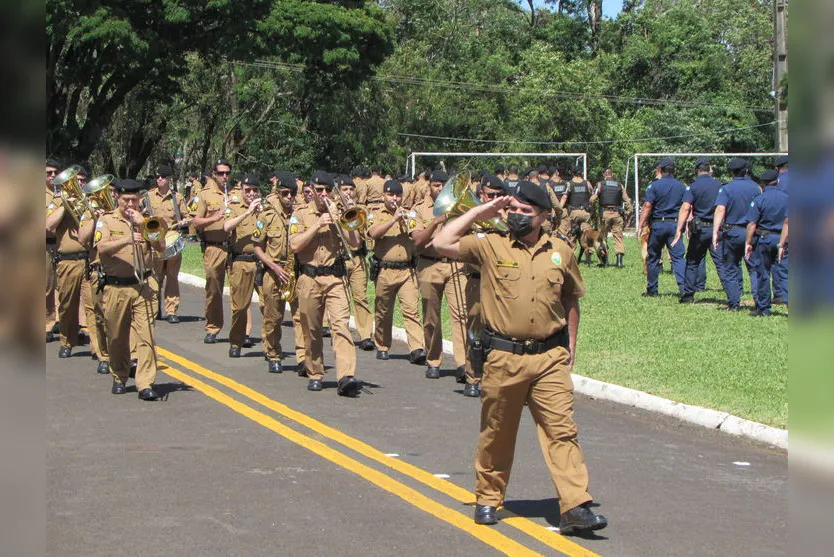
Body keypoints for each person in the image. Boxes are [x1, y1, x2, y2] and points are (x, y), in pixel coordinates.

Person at [432, 180, 607, 534]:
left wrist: (571, 343)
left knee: (562, 430)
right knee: (497, 432)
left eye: (526, 211)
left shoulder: (561, 251)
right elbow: (441, 242)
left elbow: (571, 298)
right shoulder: (491, 244)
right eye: (513, 209)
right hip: (503, 356)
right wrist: (482, 210)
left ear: (543, 216)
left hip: (550, 358)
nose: (517, 215)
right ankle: (488, 498)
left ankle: (575, 505)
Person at [289, 171, 362, 396]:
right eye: (319, 190)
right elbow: (295, 245)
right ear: (312, 190)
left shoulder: (339, 211)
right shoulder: (300, 213)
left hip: (334, 278)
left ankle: (346, 376)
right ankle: (315, 372)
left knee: (340, 326)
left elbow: (355, 243)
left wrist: (343, 220)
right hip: (309, 278)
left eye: (328, 190)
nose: (323, 194)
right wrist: (318, 224)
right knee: (312, 329)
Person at [94, 178, 164, 401]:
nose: (130, 204)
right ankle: (119, 374)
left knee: (146, 336)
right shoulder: (106, 220)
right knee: (116, 336)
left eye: (134, 200)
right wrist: (126, 240)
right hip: (116, 286)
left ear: (140, 199)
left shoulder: (148, 220)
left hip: (143, 285)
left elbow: (161, 247)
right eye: (126, 200)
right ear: (117, 198)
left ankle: (145, 383)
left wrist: (145, 224)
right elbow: (101, 247)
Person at [411, 170, 469, 379]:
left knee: (462, 314)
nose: (441, 188)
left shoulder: (460, 207)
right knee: (431, 316)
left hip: (455, 266)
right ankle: (433, 359)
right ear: (429, 186)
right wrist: (435, 222)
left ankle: (463, 363)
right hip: (429, 265)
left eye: (444, 185)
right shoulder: (418, 210)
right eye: (436, 185)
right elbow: (417, 241)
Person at [366, 179, 427, 364]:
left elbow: (418, 237)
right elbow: (373, 233)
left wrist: (409, 222)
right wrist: (393, 219)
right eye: (391, 195)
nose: (395, 198)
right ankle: (382, 345)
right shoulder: (375, 213)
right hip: (384, 270)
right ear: (383, 195)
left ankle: (417, 348)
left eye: (398, 195)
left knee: (411, 309)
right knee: (383, 311)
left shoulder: (409, 213)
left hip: (407, 270)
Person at [256, 172, 305, 373]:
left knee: (301, 317)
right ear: (278, 193)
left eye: (292, 193)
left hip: (296, 271)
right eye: (285, 193)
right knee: (273, 317)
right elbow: (257, 247)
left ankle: (303, 358)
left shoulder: (300, 214)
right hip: (274, 271)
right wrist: (274, 267)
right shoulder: (266, 214)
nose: (289, 197)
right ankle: (273, 353)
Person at [191, 159, 242, 343]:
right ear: (214, 174)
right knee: (214, 289)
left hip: (235, 248)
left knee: (240, 290)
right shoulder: (204, 195)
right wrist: (215, 217)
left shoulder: (237, 193)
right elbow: (196, 222)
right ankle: (213, 327)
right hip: (214, 247)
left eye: (227, 173)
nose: (224, 176)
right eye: (221, 173)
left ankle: (241, 331)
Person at [45, 166, 93, 358]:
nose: (79, 184)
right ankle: (67, 341)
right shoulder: (58, 200)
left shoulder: (92, 200)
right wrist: (65, 205)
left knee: (93, 306)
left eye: (82, 181)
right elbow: (48, 225)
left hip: (89, 260)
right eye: (76, 180)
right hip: (67, 261)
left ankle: (99, 350)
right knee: (67, 306)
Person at [222, 174, 267, 358]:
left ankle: (270, 347)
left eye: (254, 190)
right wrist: (248, 212)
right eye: (247, 190)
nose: (251, 193)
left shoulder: (265, 208)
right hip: (241, 262)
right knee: (240, 307)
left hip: (263, 262)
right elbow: (226, 227)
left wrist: (262, 212)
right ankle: (236, 341)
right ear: (241, 190)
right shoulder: (234, 207)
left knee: (269, 306)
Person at [712, 158, 762, 311]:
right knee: (754, 269)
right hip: (752, 232)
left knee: (731, 267)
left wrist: (715, 232)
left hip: (732, 232)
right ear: (746, 171)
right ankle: (759, 302)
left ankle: (734, 303)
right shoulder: (756, 188)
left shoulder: (726, 189)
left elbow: (721, 209)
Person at [673, 157, 724, 303]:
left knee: (693, 261)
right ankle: (732, 295)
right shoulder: (719, 186)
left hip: (700, 230)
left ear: (697, 170)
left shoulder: (693, 187)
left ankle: (688, 295)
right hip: (716, 229)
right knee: (721, 262)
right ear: (709, 169)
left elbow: (685, 207)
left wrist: (679, 229)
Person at [336, 175, 375, 351]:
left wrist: (354, 212)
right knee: (341, 300)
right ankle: (341, 333)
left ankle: (366, 335)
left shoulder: (361, 210)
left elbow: (366, 235)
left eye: (351, 189)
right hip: (339, 259)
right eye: (345, 189)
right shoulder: (332, 209)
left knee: (360, 297)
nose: (348, 192)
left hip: (357, 258)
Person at [147, 164, 190, 323]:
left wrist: (184, 221)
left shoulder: (177, 197)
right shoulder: (148, 196)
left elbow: (186, 216)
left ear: (169, 179)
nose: (159, 179)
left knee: (172, 277)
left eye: (163, 177)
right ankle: (154, 307)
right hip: (155, 240)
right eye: (157, 176)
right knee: (155, 276)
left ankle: (171, 311)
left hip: (172, 239)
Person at [639, 158, 687, 296]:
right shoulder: (681, 186)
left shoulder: (654, 186)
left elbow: (647, 205)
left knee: (653, 257)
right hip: (674, 225)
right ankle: (684, 290)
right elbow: (686, 206)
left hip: (658, 225)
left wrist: (641, 224)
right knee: (678, 258)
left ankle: (652, 290)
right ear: (674, 170)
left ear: (661, 170)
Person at [744, 170, 789, 316]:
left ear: (762, 183)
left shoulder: (759, 199)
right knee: (785, 273)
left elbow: (752, 224)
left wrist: (748, 242)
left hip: (764, 239)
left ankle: (763, 308)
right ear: (778, 181)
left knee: (762, 273)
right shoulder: (788, 198)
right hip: (783, 238)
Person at [595, 168, 632, 268]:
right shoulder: (619, 185)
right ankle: (619, 263)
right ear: (613, 175)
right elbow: (627, 201)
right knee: (618, 237)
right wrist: (628, 213)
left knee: (602, 237)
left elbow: (593, 198)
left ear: (604, 175)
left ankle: (605, 262)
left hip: (605, 214)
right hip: (617, 214)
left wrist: (591, 209)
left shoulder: (600, 184)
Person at [45, 158, 61, 342]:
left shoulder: (62, 193)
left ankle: (59, 319)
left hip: (62, 244)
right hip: (45, 243)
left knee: (61, 285)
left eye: (55, 173)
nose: (53, 176)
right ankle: (47, 324)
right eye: (48, 173)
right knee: (47, 286)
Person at [564, 167, 593, 246]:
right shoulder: (587, 183)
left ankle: (571, 250)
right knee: (587, 234)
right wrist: (591, 210)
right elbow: (592, 197)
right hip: (585, 212)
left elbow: (565, 197)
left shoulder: (569, 184)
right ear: (581, 174)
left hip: (574, 213)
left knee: (572, 234)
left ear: (573, 174)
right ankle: (589, 251)